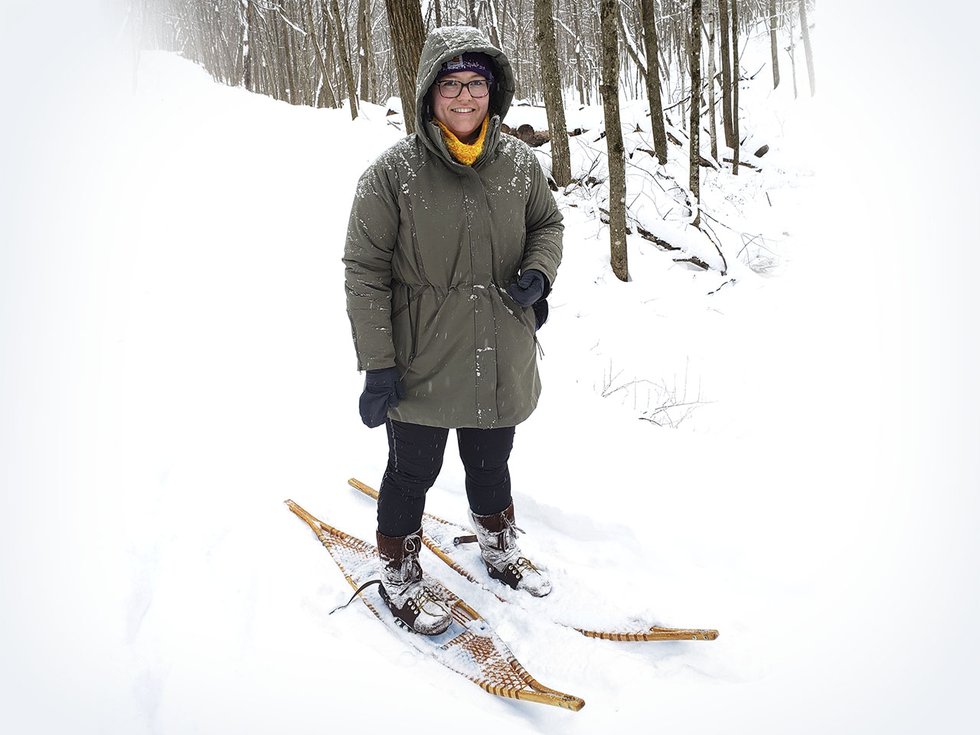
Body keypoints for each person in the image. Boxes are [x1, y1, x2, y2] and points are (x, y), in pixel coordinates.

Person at [343, 25, 563, 635]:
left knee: (491, 462)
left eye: (476, 84)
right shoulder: (391, 175)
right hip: (423, 357)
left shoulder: (520, 164)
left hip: (500, 350)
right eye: (450, 85)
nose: (464, 97)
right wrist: (378, 363)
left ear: (494, 92)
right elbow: (363, 272)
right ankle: (399, 570)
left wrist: (539, 274)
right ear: (427, 94)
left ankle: (497, 547)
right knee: (413, 470)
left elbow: (548, 224)